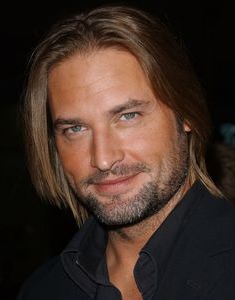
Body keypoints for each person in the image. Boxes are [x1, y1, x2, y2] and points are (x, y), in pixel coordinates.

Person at [18, 4, 235, 300]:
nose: (104, 159)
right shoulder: (43, 290)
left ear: (187, 114)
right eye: (75, 129)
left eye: (128, 116)